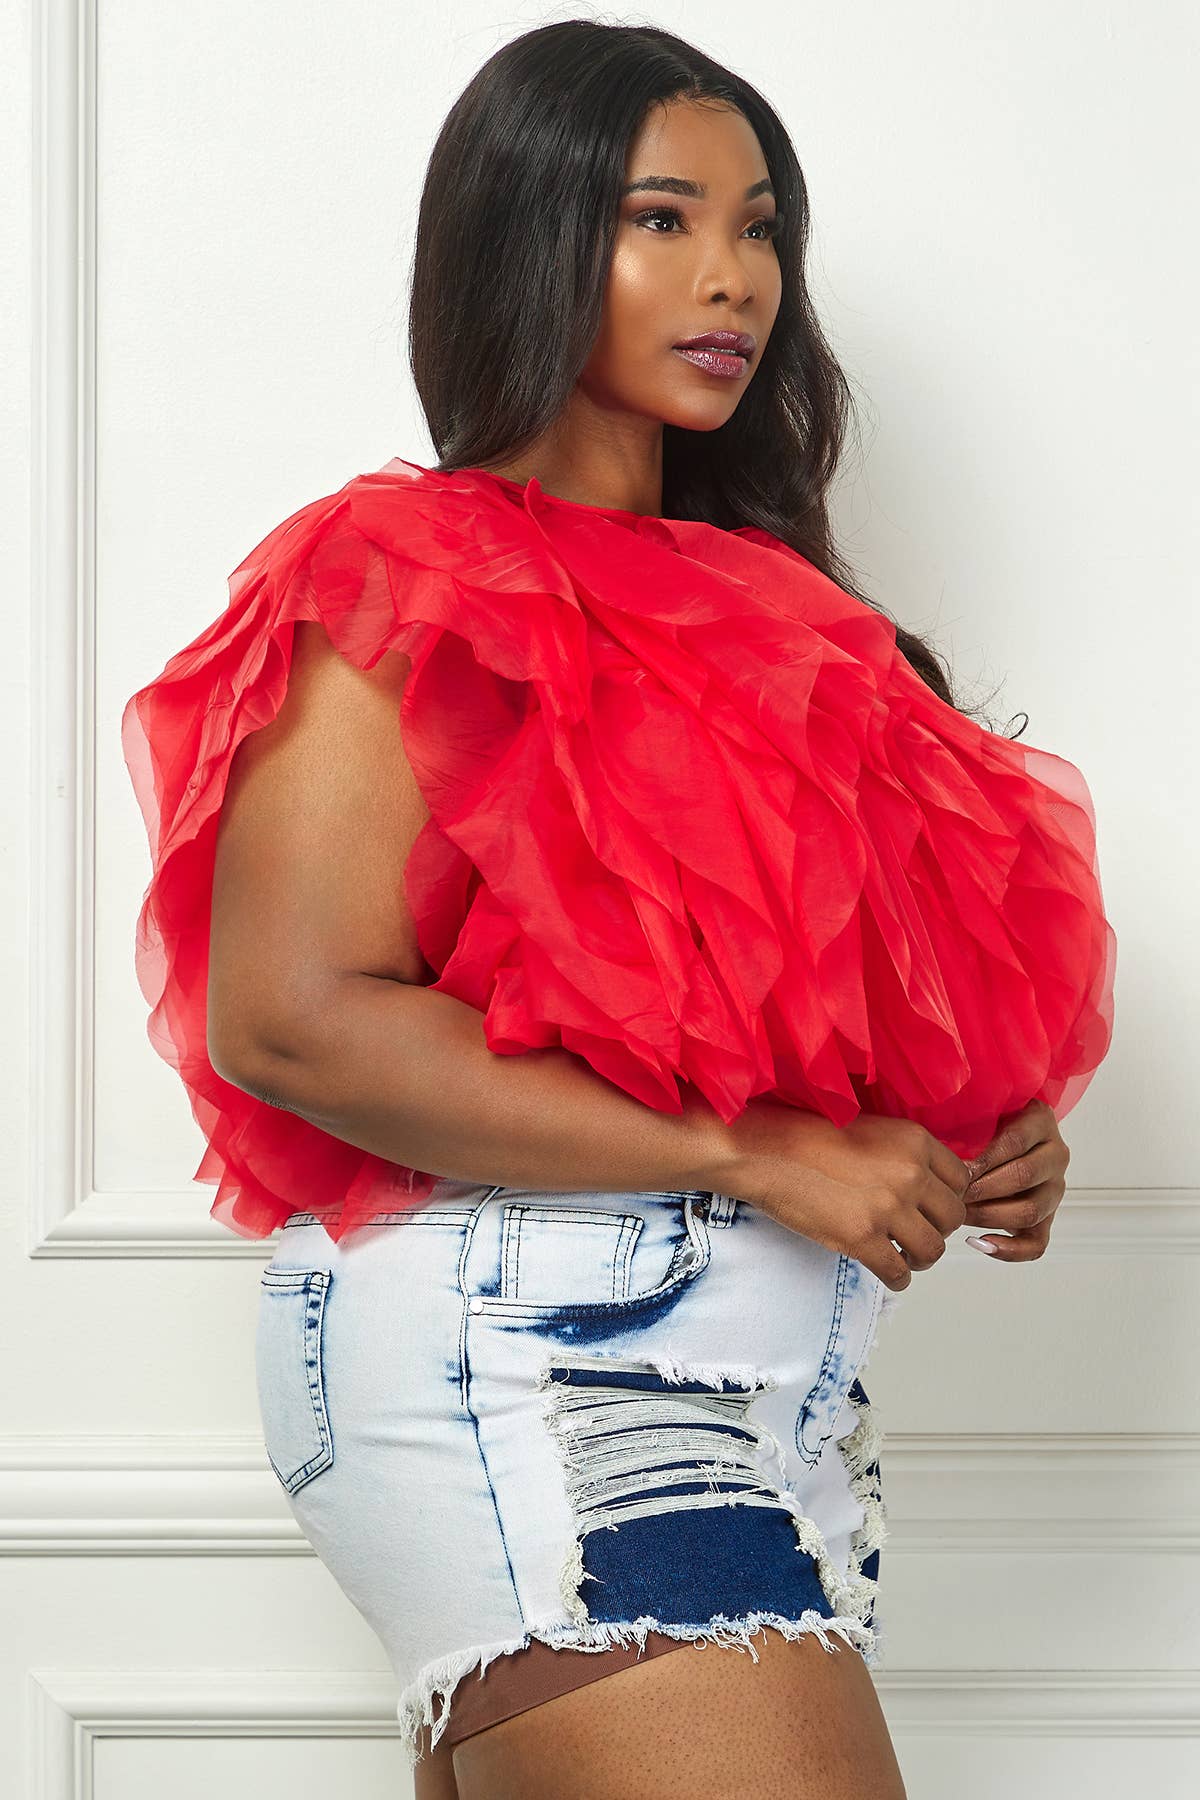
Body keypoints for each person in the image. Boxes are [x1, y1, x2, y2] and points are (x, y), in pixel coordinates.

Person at [120, 20, 1116, 1800]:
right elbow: (290, 1013)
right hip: (536, 1362)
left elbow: (801, 1006)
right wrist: (755, 1153)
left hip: (778, 1402)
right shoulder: (403, 575)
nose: (729, 277)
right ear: (527, 234)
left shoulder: (786, 617)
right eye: (661, 219)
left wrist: (980, 1136)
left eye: (758, 227)